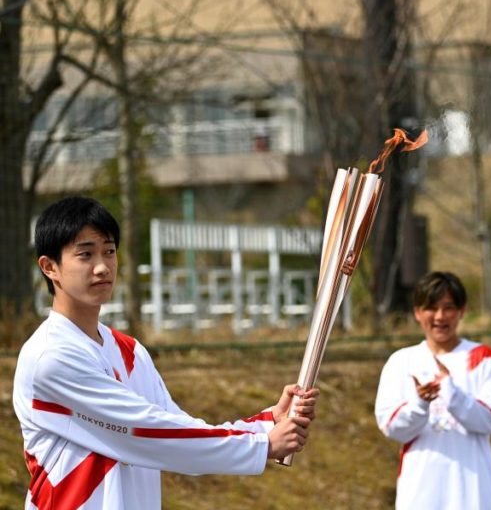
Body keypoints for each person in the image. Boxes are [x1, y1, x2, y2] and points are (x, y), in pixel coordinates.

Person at [13, 196, 319, 509]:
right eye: (86, 255)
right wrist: (262, 445)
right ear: (50, 267)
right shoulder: (50, 358)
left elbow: (179, 430)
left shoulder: (129, 352)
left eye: (109, 251)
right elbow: (146, 432)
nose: (103, 266)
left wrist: (266, 423)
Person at [374, 271, 491, 510]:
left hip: (473, 493)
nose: (440, 316)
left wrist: (453, 394)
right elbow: (391, 427)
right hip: (420, 493)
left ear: (462, 311)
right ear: (417, 312)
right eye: (431, 308)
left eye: (448, 308)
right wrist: (419, 404)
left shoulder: (484, 358)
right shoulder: (402, 361)